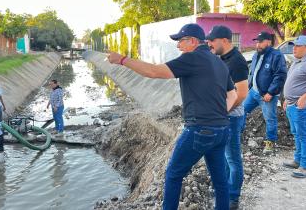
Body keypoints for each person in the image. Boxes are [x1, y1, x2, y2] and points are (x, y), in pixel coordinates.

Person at [107, 23, 237, 210]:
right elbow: (232, 95)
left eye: (181, 41)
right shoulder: (219, 63)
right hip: (222, 129)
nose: (178, 46)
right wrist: (217, 115)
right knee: (220, 181)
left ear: (193, 41)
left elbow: (153, 71)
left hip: (200, 129)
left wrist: (122, 60)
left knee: (173, 175)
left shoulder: (191, 58)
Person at [206, 25, 249, 209]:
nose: (209, 44)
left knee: (232, 158)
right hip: (222, 115)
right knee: (222, 156)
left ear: (224, 40)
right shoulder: (222, 58)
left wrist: (223, 111)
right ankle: (223, 190)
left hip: (231, 117)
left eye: (212, 41)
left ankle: (233, 197)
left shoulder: (237, 61)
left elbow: (242, 93)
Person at [243, 32, 287, 154]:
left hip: (266, 95)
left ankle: (270, 143)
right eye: (256, 42)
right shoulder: (257, 54)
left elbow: (280, 76)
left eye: (260, 42)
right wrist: (250, 86)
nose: (258, 44)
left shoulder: (276, 56)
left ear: (268, 42)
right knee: (241, 111)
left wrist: (271, 92)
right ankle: (237, 134)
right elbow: (253, 71)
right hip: (253, 92)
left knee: (270, 118)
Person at [282, 36, 306, 178]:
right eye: (294, 45)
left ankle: (305, 167)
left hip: (304, 106)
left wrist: (305, 97)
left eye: (298, 45)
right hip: (292, 105)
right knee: (296, 134)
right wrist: (287, 98)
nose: (294, 48)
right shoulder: (297, 61)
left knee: (303, 136)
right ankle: (297, 160)